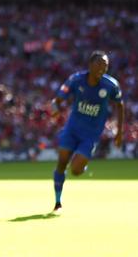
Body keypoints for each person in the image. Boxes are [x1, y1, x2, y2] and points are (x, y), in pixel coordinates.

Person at [50, 50, 124, 212]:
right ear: (90, 64)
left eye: (105, 66)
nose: (102, 68)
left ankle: (81, 166)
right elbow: (57, 100)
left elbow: (120, 105)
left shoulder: (111, 85)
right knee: (62, 162)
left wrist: (119, 132)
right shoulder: (76, 80)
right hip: (72, 129)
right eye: (99, 64)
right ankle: (57, 202)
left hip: (91, 134)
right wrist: (55, 108)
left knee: (75, 171)